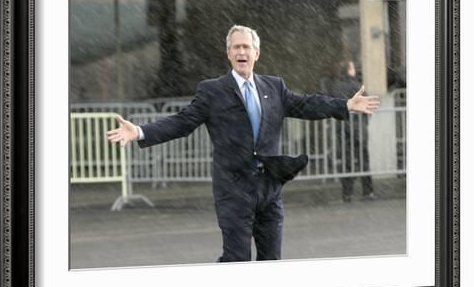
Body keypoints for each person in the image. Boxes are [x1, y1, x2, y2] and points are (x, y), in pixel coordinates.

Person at [107, 25, 380, 262]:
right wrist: (140, 132)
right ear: (228, 53)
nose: (241, 52)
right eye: (236, 47)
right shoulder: (212, 90)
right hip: (233, 190)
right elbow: (183, 121)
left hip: (269, 190)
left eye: (246, 47)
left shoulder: (274, 87)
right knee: (236, 260)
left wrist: (344, 105)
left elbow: (306, 104)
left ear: (256, 53)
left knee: (271, 260)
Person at [331, 60, 375, 202]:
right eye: (352, 67)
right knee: (363, 159)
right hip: (358, 128)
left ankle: (347, 193)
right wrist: (364, 122)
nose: (354, 69)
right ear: (349, 70)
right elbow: (367, 104)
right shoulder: (357, 86)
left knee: (346, 160)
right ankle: (367, 191)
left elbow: (332, 103)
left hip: (343, 128)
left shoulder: (336, 87)